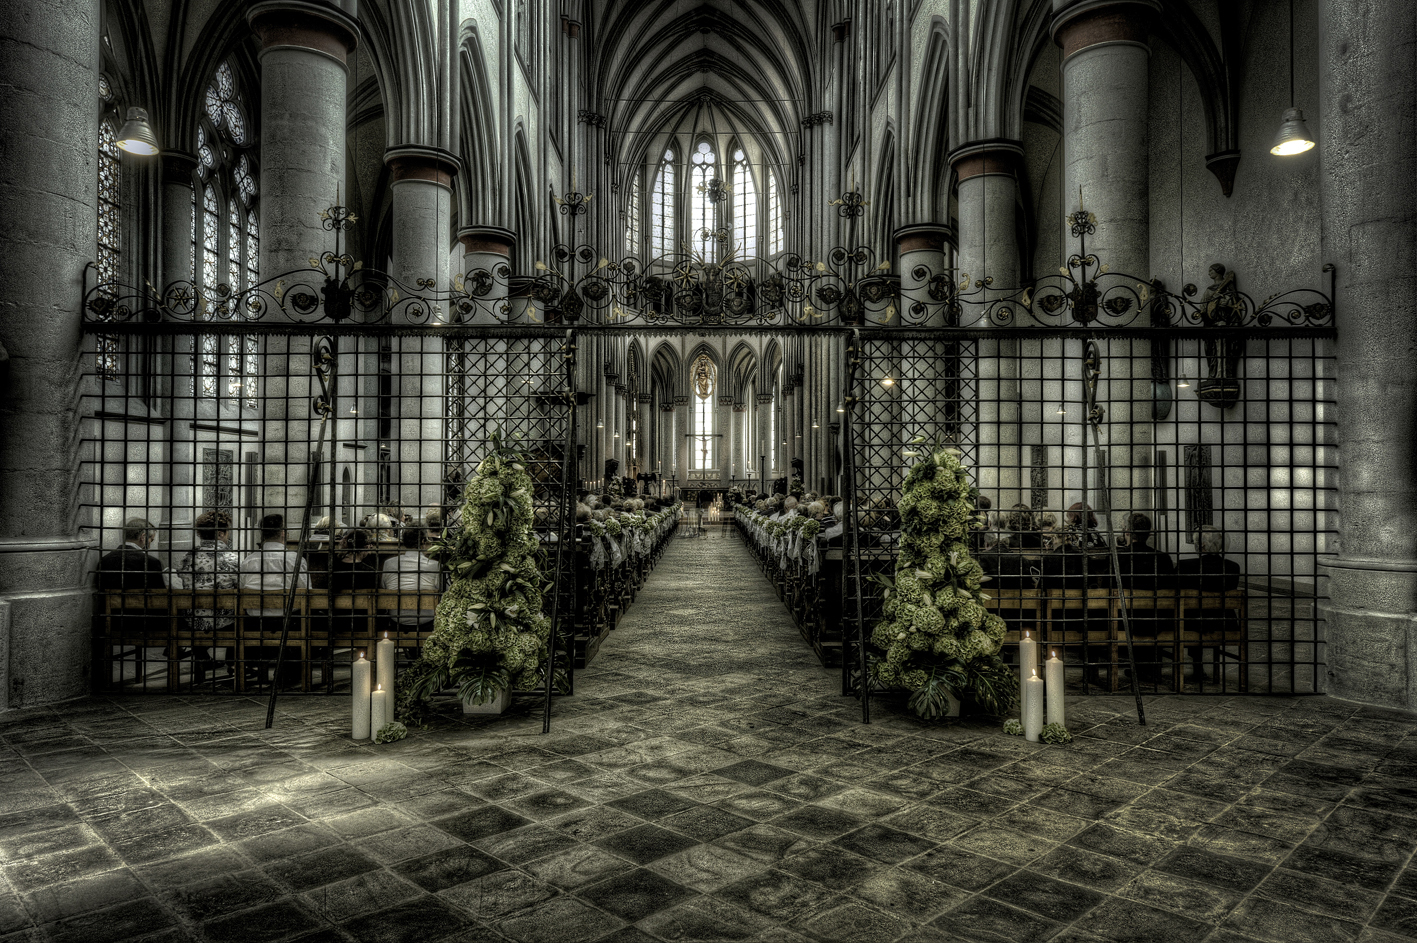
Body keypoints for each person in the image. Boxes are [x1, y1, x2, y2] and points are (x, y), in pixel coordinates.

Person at [238, 513, 309, 687]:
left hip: (255, 623)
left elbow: (241, 592)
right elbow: (306, 593)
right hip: (288, 623)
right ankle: (292, 673)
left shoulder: (248, 561)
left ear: (262, 534)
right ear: (283, 533)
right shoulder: (294, 559)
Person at [98, 519, 170, 671]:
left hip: (113, 622)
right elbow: (160, 599)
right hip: (146, 623)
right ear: (143, 537)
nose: (150, 543)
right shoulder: (150, 562)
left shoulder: (105, 561)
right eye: (151, 539)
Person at [177, 510, 241, 679]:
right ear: (220, 533)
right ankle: (233, 663)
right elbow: (241, 587)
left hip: (193, 620)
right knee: (242, 617)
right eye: (227, 532)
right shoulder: (232, 558)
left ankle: (200, 657)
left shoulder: (187, 558)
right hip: (224, 620)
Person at [1175, 525, 1243, 681]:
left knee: (1190, 612)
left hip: (1192, 624)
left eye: (1195, 542)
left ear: (1202, 545)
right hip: (1224, 622)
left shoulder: (1186, 566)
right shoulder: (1232, 567)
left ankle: (1197, 665)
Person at [381, 525, 444, 633]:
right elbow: (443, 592)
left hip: (397, 620)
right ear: (423, 542)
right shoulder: (435, 565)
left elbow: (384, 587)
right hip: (427, 623)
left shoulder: (388, 563)